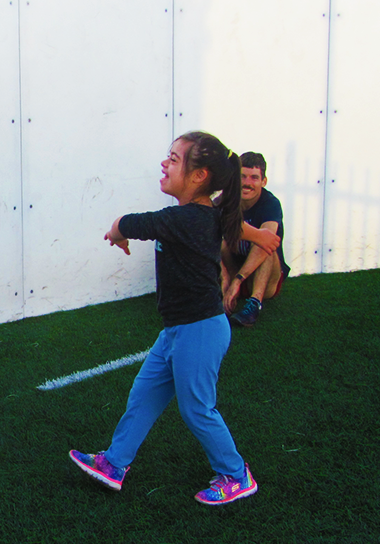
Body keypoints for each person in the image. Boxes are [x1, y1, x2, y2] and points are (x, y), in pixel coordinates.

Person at [69, 132, 279, 506]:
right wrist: (260, 236)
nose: (165, 163)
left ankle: (235, 474)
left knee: (197, 408)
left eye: (174, 158)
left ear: (199, 176)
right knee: (144, 394)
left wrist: (115, 231)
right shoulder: (206, 215)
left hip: (199, 330)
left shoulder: (182, 219)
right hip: (178, 329)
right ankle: (114, 463)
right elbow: (231, 225)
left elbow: (131, 223)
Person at [221, 152, 290, 327]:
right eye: (242, 176)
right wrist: (225, 277)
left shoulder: (270, 203)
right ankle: (223, 289)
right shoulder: (226, 200)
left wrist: (238, 280)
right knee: (215, 234)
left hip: (262, 278)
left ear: (263, 181)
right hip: (234, 267)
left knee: (266, 241)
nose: (247, 183)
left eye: (254, 178)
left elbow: (267, 241)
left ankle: (254, 303)